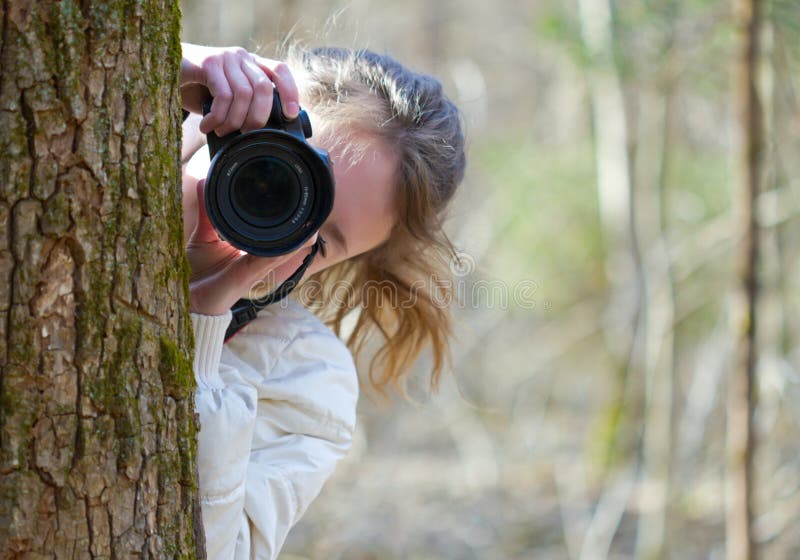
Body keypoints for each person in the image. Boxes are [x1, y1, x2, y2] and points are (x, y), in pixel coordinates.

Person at [180, 41, 466, 559]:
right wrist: (168, 67)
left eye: (319, 237)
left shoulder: (304, 379)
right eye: (274, 172)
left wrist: (203, 332)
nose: (273, 222)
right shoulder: (124, 130)